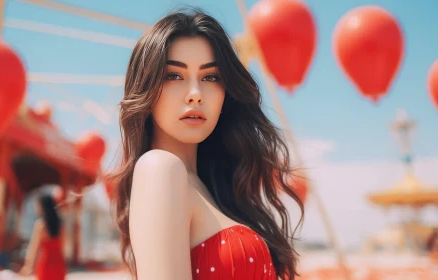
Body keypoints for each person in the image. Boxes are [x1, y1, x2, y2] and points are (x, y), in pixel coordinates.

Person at [114, 8, 304, 280]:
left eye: (211, 77)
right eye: (174, 75)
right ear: (145, 88)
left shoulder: (209, 185)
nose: (195, 94)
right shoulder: (160, 168)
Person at [20, 193, 66, 279]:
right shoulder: (61, 225)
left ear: (42, 206)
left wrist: (28, 266)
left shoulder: (41, 225)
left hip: (46, 262)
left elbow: (34, 247)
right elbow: (63, 245)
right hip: (59, 262)